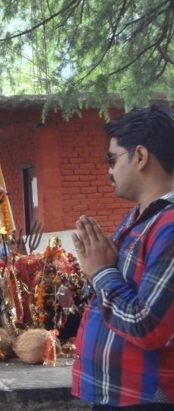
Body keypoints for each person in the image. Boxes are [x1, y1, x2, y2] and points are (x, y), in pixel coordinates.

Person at [71, 105, 174, 410]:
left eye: (112, 159)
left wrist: (101, 272)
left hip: (149, 398)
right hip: (121, 395)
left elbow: (148, 325)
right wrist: (99, 272)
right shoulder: (140, 219)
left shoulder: (169, 226)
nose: (109, 170)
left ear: (140, 157)